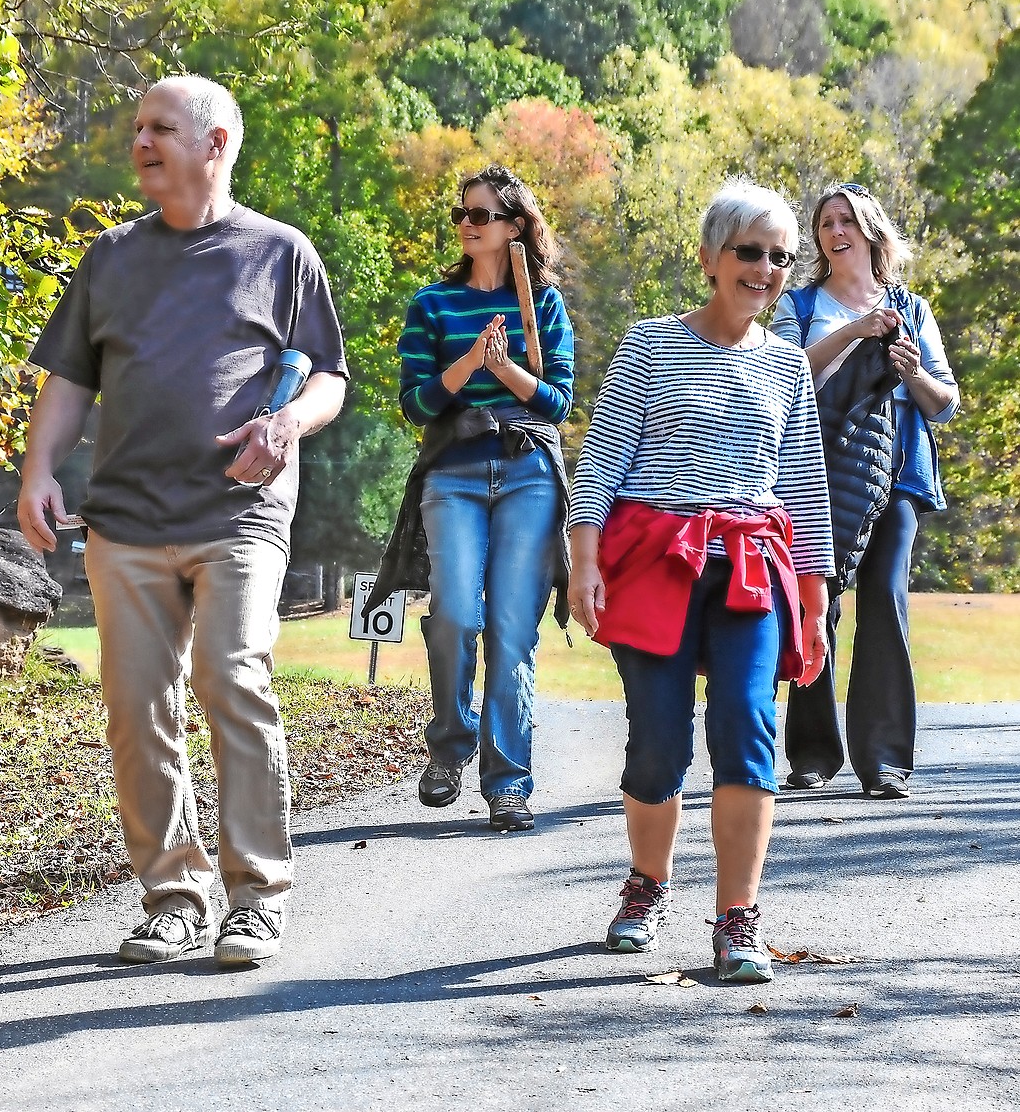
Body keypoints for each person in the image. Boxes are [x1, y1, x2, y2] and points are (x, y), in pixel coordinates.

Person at [17, 75, 348, 966]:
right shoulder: (112, 259)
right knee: (135, 707)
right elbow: (70, 380)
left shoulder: (281, 254)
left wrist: (287, 424)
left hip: (239, 511)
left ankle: (257, 895)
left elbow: (329, 377)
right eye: (135, 128)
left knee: (231, 675)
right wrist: (39, 468)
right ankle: (173, 891)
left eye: (162, 127)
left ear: (218, 142)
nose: (141, 142)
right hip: (125, 519)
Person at [569, 178, 833, 984]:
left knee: (747, 729)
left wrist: (816, 608)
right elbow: (604, 458)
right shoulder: (651, 344)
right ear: (710, 258)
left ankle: (737, 918)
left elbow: (806, 491)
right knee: (657, 741)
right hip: (654, 557)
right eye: (749, 252)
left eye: (781, 257)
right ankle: (647, 886)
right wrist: (583, 560)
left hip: (751, 564)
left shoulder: (788, 367)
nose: (764, 268)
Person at [367, 164, 574, 832]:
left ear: (514, 227)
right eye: (462, 213)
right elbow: (416, 402)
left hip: (528, 474)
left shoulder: (542, 304)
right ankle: (449, 747)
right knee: (455, 614)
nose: (466, 223)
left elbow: (559, 403)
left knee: (513, 635)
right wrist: (470, 365)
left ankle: (509, 784)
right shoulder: (432, 304)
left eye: (481, 215)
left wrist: (505, 367)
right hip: (452, 472)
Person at [771, 182, 959, 800]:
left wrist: (913, 371)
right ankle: (813, 754)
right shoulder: (799, 306)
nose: (834, 230)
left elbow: (944, 404)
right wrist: (854, 334)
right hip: (811, 469)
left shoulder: (911, 306)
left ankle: (884, 760)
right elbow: (781, 373)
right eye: (825, 223)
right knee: (814, 599)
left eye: (846, 219)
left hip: (898, 471)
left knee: (883, 595)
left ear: (871, 231)